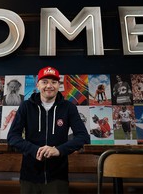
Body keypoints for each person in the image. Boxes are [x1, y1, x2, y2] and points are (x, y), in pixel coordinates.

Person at [7, 66, 90, 194]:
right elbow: (12, 137)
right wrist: (34, 150)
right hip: (29, 176)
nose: (49, 86)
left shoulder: (68, 107)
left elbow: (83, 136)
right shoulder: (26, 106)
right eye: (45, 82)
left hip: (58, 176)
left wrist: (58, 150)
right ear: (38, 85)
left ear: (59, 85)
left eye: (54, 82)